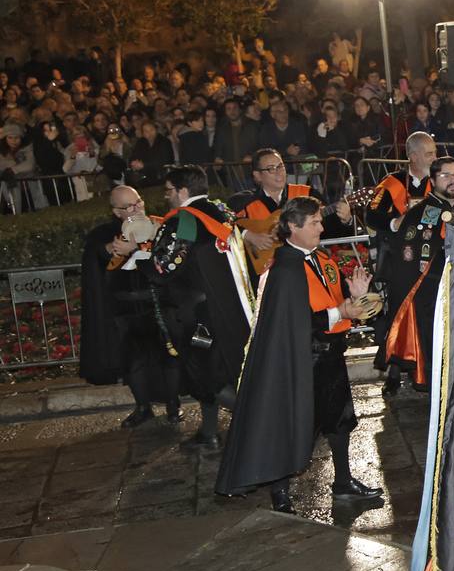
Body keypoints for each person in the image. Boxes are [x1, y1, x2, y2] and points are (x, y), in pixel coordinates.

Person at [216, 196, 384, 513]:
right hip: (300, 360)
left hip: (330, 356)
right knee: (291, 423)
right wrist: (341, 310)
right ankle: (280, 494)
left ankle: (344, 483)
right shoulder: (283, 270)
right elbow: (296, 323)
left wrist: (356, 301)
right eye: (315, 223)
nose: (322, 227)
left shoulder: (322, 260)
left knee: (339, 421)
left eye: (320, 221)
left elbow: (331, 307)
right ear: (292, 227)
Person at [144, 165, 252, 448]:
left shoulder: (185, 220)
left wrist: (140, 253)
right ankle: (208, 432)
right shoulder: (220, 212)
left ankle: (261, 419)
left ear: (182, 191)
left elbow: (164, 266)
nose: (166, 196)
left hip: (198, 318)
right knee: (216, 369)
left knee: (205, 373)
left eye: (169, 190)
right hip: (230, 308)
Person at [79, 186, 179, 427]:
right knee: (132, 360)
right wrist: (110, 250)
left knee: (169, 357)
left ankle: (173, 406)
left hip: (156, 301)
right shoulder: (104, 233)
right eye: (128, 206)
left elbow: (172, 256)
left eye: (139, 203)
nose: (136, 209)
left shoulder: (160, 225)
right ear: (116, 211)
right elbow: (96, 256)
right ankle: (143, 407)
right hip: (124, 306)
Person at [378, 157, 454, 388]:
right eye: (445, 175)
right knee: (437, 354)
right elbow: (408, 260)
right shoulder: (419, 214)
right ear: (433, 180)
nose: (453, 180)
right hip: (434, 295)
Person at [367, 131, 437, 396]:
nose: (434, 158)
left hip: (432, 260)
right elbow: (372, 215)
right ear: (414, 156)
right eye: (429, 153)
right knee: (397, 313)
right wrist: (395, 222)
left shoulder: (440, 179)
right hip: (401, 261)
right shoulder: (392, 183)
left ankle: (427, 367)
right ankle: (394, 371)